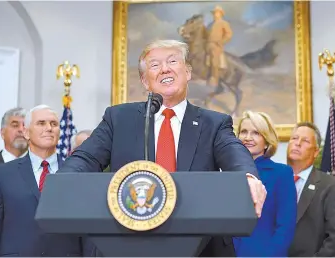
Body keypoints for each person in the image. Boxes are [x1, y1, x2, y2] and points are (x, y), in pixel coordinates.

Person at [57, 39, 266, 256]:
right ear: (145, 81)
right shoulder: (119, 118)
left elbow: (234, 153)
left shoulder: (214, 123)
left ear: (188, 73)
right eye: (155, 65)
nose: (165, 68)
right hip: (129, 242)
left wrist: (248, 177)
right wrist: (62, 183)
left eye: (173, 61)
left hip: (200, 246)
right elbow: (85, 158)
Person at [0, 105, 83, 257]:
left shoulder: (76, 172)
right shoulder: (1, 174)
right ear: (26, 132)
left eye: (54, 124)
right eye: (41, 123)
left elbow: (84, 230)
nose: (49, 128)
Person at [232, 111, 296, 257]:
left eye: (256, 133)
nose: (248, 138)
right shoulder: (227, 172)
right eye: (244, 132)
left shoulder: (282, 173)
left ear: (267, 141)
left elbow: (285, 227)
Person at [287, 122, 335, 257]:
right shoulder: (275, 181)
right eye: (294, 138)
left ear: (316, 152)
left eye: (305, 140)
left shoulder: (332, 186)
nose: (298, 143)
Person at [206, 5, 232, 90]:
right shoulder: (210, 24)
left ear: (220, 14)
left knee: (214, 60)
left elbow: (229, 34)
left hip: (216, 45)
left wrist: (221, 41)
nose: (215, 14)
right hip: (208, 45)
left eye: (217, 13)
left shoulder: (224, 23)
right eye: (214, 13)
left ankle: (215, 79)